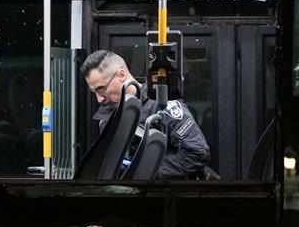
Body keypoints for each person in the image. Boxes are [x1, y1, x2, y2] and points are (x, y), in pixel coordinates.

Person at [80, 50, 211, 179]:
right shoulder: (107, 118)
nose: (99, 99)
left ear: (121, 75)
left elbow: (197, 153)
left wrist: (143, 172)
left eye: (101, 89)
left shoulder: (162, 104)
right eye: (94, 91)